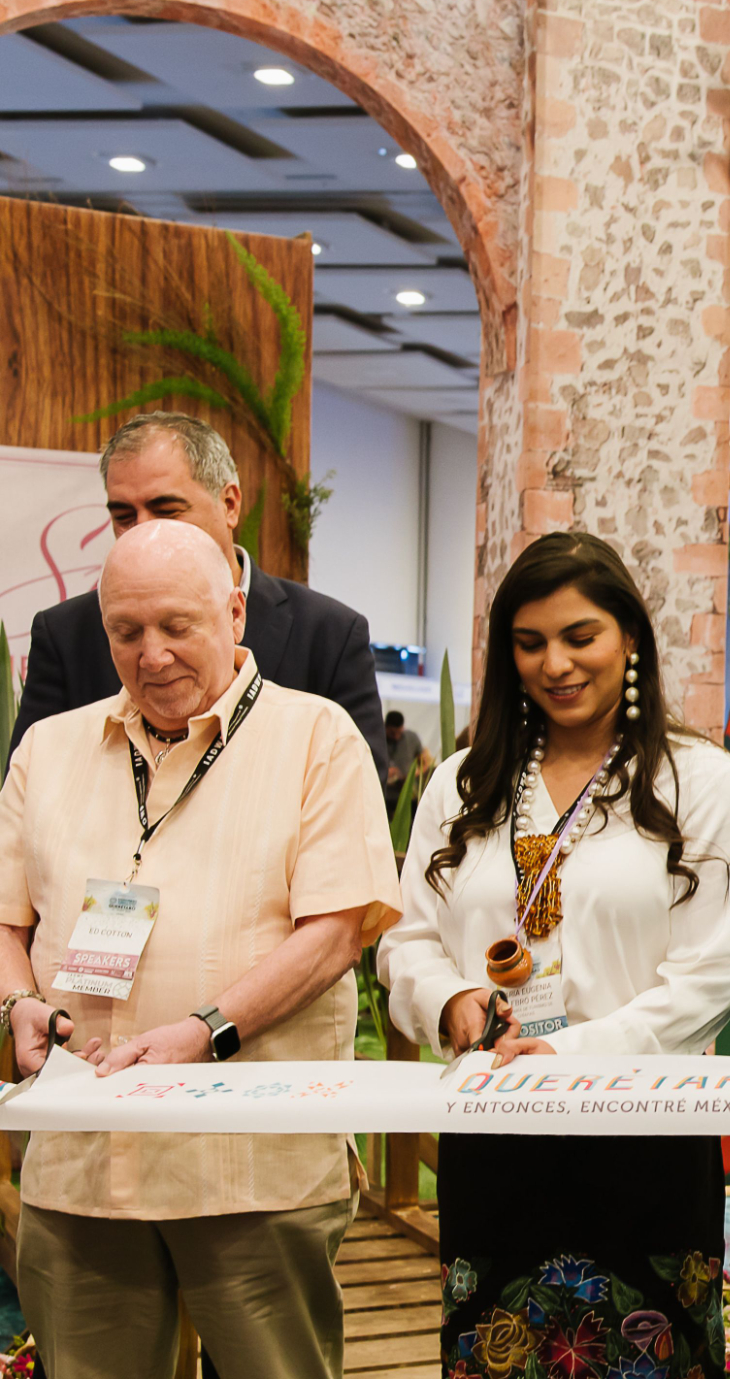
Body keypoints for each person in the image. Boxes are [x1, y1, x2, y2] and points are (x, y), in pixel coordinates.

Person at [0, 520, 399, 1379]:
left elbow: (334, 934)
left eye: (176, 626)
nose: (151, 656)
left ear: (234, 612)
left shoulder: (317, 738)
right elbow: (5, 920)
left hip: (251, 1165)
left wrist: (203, 1030)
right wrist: (18, 1003)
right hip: (81, 1163)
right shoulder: (48, 749)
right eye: (126, 631)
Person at [376, 531, 730, 1374]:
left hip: (646, 1137)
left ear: (630, 638)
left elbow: (709, 977)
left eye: (579, 636)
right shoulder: (463, 783)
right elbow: (407, 939)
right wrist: (451, 1002)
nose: (555, 663)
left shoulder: (700, 782)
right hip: (494, 1132)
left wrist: (566, 1054)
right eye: (530, 642)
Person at [9, 411, 387, 779]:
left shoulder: (328, 634)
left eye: (166, 510)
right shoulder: (67, 634)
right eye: (124, 516)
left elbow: (358, 788)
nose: (143, 530)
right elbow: (35, 786)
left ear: (230, 504)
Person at [382, 708, 429, 807]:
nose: (396, 736)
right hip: (384, 795)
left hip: (407, 795)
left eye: (399, 732)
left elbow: (424, 763)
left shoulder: (412, 738)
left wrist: (412, 775)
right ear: (385, 727)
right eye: (392, 733)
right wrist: (385, 772)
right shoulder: (379, 741)